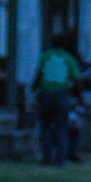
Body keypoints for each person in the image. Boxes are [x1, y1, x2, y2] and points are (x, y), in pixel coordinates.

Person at [31, 34, 81, 167]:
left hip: (46, 94)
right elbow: (76, 80)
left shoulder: (45, 56)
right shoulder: (68, 58)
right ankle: (60, 160)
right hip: (62, 95)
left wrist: (32, 90)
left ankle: (47, 156)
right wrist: (80, 98)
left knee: (45, 126)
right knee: (62, 128)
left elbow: (38, 75)